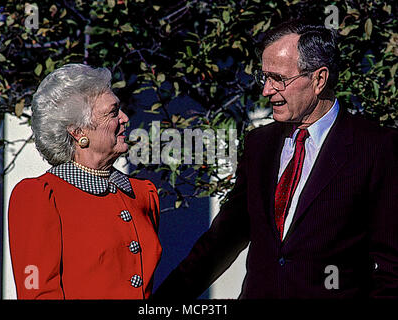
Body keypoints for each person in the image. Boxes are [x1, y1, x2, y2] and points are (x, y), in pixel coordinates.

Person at [154, 19, 398, 299]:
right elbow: (223, 240)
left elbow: (392, 266)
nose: (267, 90)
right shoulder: (260, 145)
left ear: (319, 79)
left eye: (278, 79)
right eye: (264, 78)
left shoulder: (376, 147)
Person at [8, 63, 162, 299]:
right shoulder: (40, 196)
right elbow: (36, 292)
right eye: (112, 112)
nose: (125, 118)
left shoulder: (142, 194)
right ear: (78, 132)